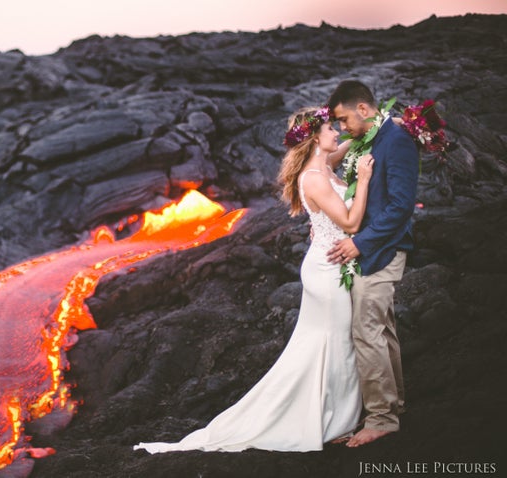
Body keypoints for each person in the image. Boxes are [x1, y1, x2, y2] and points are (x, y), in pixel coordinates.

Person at [134, 106, 374, 454]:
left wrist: (384, 123)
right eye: (329, 128)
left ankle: (330, 415)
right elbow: (351, 224)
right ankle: (326, 419)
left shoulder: (324, 164)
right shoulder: (315, 177)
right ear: (314, 138)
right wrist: (363, 180)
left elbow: (351, 142)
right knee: (336, 343)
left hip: (330, 263)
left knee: (328, 345)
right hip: (327, 270)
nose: (336, 131)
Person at [326, 80, 419, 448]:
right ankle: (395, 403)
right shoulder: (376, 136)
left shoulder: (395, 143)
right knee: (383, 329)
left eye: (344, 119)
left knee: (366, 331)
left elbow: (400, 207)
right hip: (373, 249)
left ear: (363, 109)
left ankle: (382, 418)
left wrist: (358, 243)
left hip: (381, 251)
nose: (342, 128)